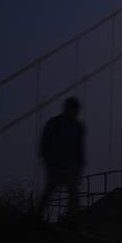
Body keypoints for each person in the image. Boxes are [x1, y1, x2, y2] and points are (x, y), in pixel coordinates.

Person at [36, 96, 86, 225]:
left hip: (71, 166)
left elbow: (79, 147)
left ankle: (70, 221)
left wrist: (80, 165)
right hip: (56, 164)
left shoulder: (78, 126)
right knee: (50, 191)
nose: (74, 112)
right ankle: (36, 216)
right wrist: (48, 161)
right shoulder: (56, 123)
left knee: (73, 194)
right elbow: (44, 143)